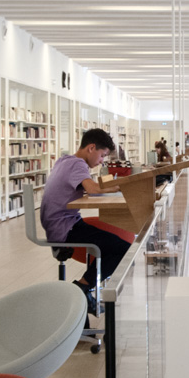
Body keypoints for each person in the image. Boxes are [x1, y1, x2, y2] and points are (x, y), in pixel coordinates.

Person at [40, 128, 130, 307]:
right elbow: (93, 190)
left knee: (111, 243)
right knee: (124, 250)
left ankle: (85, 287)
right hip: (64, 227)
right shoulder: (78, 164)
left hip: (58, 223)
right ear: (91, 148)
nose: (102, 161)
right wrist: (121, 186)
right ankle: (82, 288)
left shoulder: (64, 160)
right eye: (102, 155)